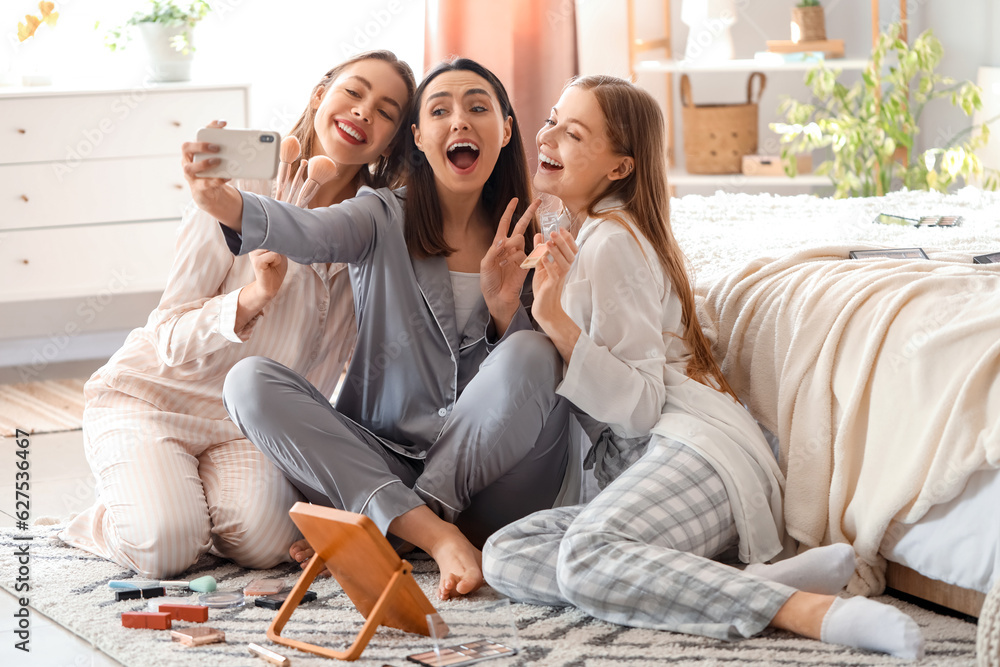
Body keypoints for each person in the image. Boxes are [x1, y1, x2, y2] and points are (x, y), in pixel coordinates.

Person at [481, 75, 924, 660]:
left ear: (620, 168)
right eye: (553, 120)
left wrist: (557, 321)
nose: (550, 135)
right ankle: (747, 586)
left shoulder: (613, 241)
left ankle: (809, 612)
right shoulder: (592, 237)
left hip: (696, 452)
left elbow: (640, 408)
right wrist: (515, 306)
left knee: (586, 556)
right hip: (653, 462)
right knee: (505, 552)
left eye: (575, 132)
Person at [189, 58, 571, 600]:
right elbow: (309, 231)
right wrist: (224, 202)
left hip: (496, 485)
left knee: (532, 349)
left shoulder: (539, 235)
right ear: (418, 136)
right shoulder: (380, 215)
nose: (459, 121)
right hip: (384, 459)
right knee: (248, 382)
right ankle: (429, 532)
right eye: (440, 110)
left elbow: (531, 388)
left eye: (478, 107)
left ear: (506, 129)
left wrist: (506, 310)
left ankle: (399, 527)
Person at [59, 51, 416, 579]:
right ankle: (115, 517)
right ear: (321, 96)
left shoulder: (377, 225)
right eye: (353, 92)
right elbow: (169, 335)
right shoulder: (239, 189)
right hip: (155, 399)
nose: (364, 112)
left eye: (386, 111)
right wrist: (255, 295)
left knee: (269, 543)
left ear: (393, 139)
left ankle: (178, 501)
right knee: (166, 548)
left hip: (244, 431)